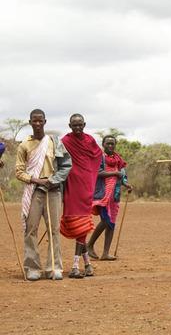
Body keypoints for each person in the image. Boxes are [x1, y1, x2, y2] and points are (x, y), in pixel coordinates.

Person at [15, 109, 72, 281]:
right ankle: (32, 268)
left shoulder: (54, 142)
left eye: (40, 121)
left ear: (45, 122)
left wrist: (53, 180)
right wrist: (36, 181)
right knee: (31, 230)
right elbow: (19, 171)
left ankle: (54, 267)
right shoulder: (24, 144)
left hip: (53, 191)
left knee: (53, 230)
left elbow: (66, 165)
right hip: (34, 191)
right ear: (30, 122)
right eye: (35, 121)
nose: (38, 124)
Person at [60, 114, 103, 278]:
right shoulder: (65, 141)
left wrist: (90, 175)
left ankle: (76, 266)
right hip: (71, 187)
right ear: (69, 125)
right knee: (76, 224)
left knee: (82, 224)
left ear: (84, 124)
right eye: (74, 125)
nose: (77, 128)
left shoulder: (90, 140)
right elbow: (59, 161)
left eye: (80, 125)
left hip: (85, 187)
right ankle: (87, 265)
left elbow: (97, 156)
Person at [87, 135, 133, 260]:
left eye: (112, 144)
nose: (110, 146)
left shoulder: (118, 159)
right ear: (103, 144)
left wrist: (127, 184)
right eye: (108, 143)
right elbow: (97, 173)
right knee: (106, 220)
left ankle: (105, 253)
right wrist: (114, 173)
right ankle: (89, 245)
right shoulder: (100, 157)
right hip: (102, 195)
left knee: (111, 224)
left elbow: (122, 176)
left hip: (115, 195)